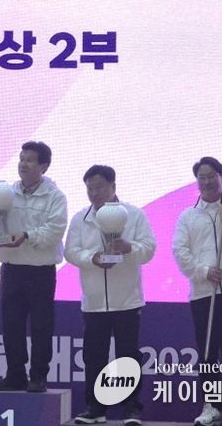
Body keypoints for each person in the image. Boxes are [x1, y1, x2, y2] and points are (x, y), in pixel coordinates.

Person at [65, 165, 155, 426]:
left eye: (100, 188)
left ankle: (131, 409)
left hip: (127, 299)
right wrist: (92, 258)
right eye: (90, 189)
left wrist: (128, 248)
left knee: (127, 355)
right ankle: (95, 408)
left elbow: (149, 249)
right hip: (94, 302)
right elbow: (71, 252)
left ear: (113, 187)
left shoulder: (134, 215)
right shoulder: (81, 219)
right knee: (94, 356)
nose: (94, 193)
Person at [0, 141, 67, 393]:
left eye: (30, 159)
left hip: (41, 271)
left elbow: (55, 230)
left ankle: (38, 376)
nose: (23, 164)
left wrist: (27, 235)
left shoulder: (55, 196)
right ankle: (15, 374)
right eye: (21, 158)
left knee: (41, 326)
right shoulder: (5, 193)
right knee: (11, 325)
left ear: (43, 166)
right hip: (11, 269)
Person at [172, 157, 222, 426]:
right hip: (203, 293)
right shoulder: (188, 216)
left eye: (212, 175)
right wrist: (203, 271)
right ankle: (211, 405)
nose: (207, 181)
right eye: (201, 177)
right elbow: (180, 251)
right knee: (207, 353)